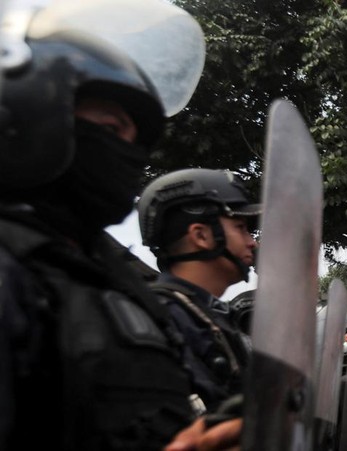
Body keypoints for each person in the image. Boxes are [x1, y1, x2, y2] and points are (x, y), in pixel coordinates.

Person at [0, 1, 205, 448]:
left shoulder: (104, 281)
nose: (129, 158)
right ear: (23, 113)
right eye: (112, 129)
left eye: (136, 144)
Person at [137, 168, 259, 413]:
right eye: (240, 228)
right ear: (201, 235)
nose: (252, 242)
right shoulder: (160, 318)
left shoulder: (208, 315)